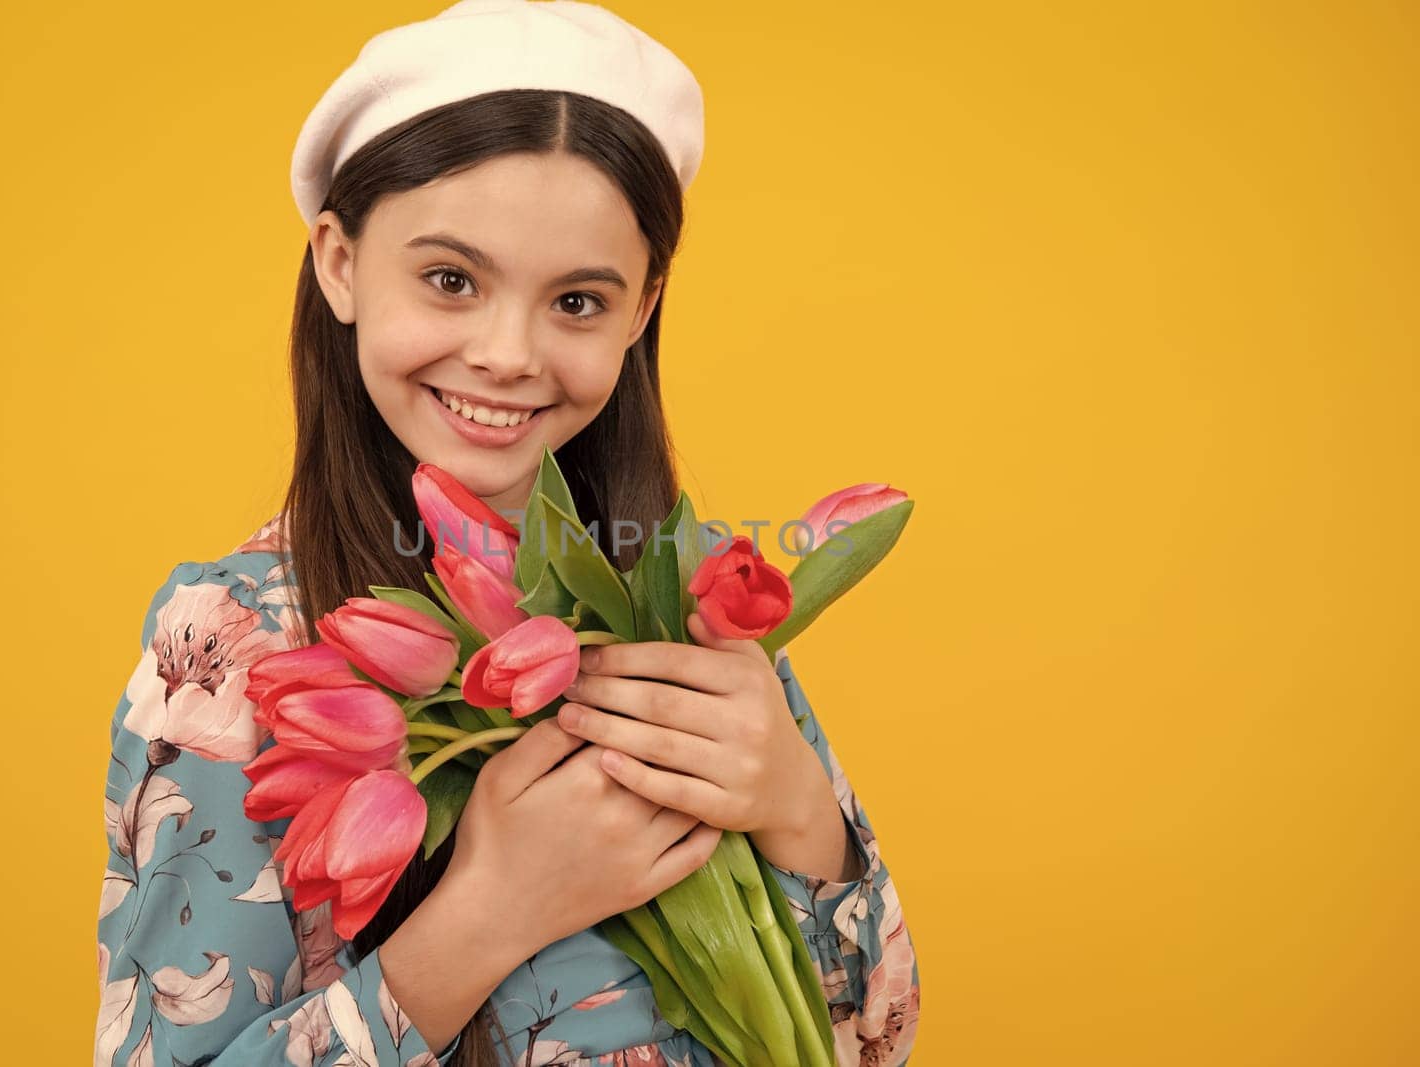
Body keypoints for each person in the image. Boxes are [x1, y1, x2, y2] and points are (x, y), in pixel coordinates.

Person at [94, 2, 919, 1064]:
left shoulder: (691, 594)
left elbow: (873, 1040)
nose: (507, 353)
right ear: (340, 263)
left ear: (641, 308)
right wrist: (488, 910)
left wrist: (800, 811)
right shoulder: (232, 640)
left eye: (577, 300)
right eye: (450, 280)